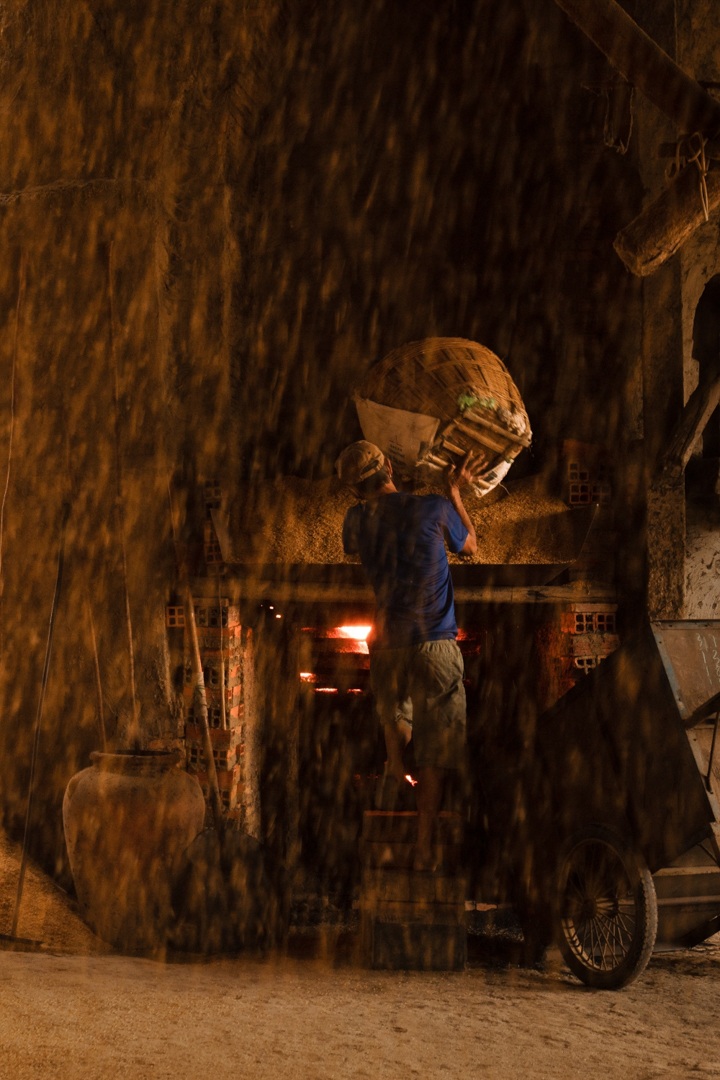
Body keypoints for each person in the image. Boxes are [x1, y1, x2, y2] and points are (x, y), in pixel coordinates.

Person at [336, 439, 479, 871]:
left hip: (389, 643)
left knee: (396, 710)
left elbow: (350, 546)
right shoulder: (433, 508)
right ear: (390, 468)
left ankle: (395, 763)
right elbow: (470, 546)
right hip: (434, 642)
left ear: (355, 491)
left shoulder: (356, 519)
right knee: (435, 746)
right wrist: (456, 492)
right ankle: (422, 847)